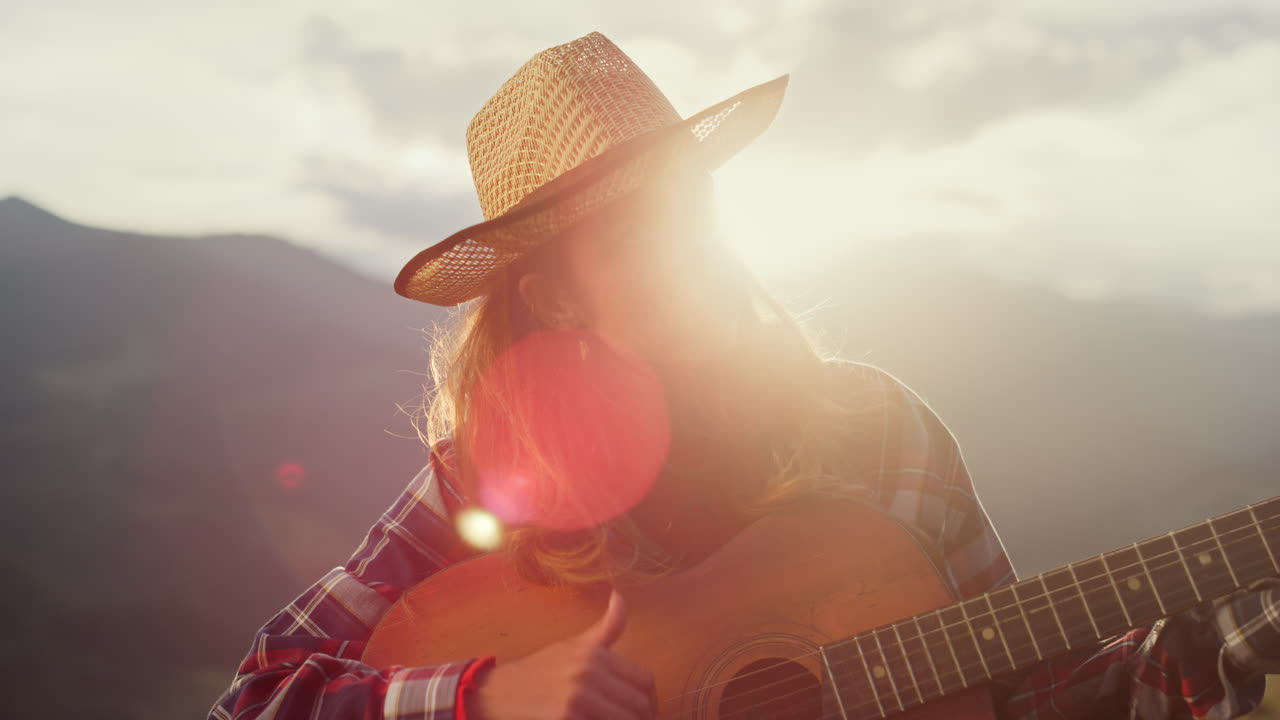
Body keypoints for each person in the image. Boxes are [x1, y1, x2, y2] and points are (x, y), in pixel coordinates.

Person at [208, 31, 1280, 720]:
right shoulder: (486, 484)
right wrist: (487, 701)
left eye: (696, 210)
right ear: (555, 299)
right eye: (640, 235)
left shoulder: (878, 431)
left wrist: (1235, 631)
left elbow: (1029, 694)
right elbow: (255, 703)